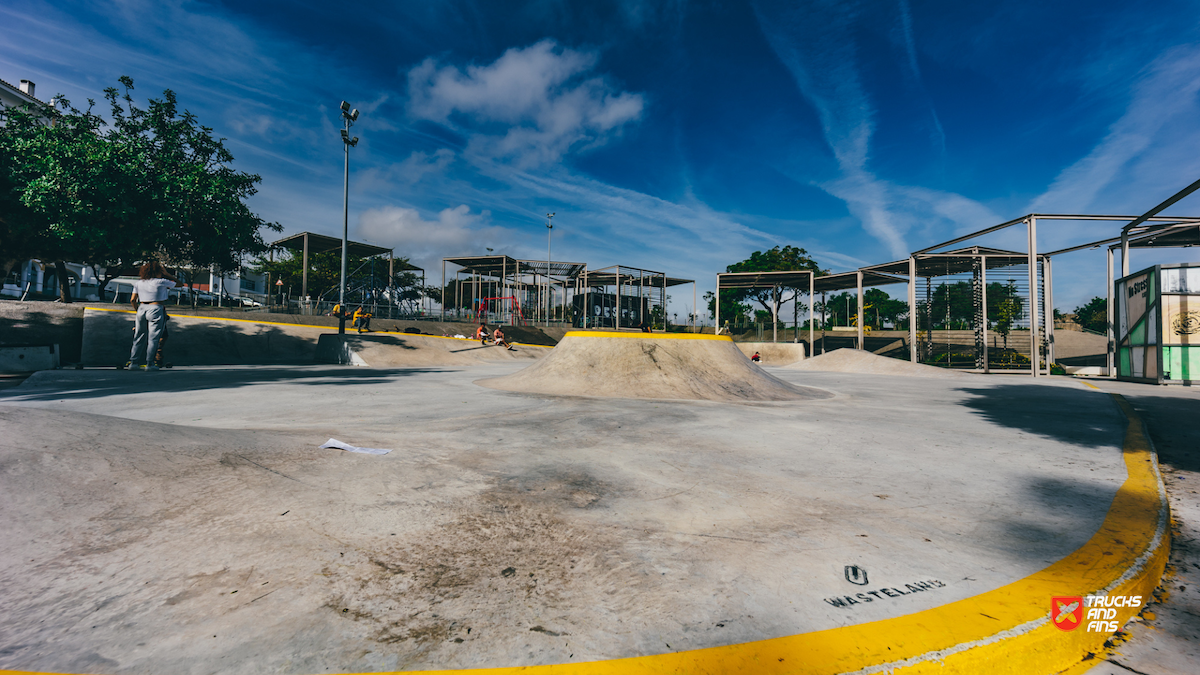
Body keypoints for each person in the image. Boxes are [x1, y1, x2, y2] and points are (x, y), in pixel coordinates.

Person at [126, 261, 180, 371]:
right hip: (156, 308)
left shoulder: (139, 283)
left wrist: (138, 311)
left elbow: (132, 300)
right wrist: (167, 274)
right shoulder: (162, 281)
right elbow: (179, 284)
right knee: (153, 338)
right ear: (158, 271)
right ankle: (150, 363)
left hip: (141, 308)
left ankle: (133, 362)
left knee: (138, 336)